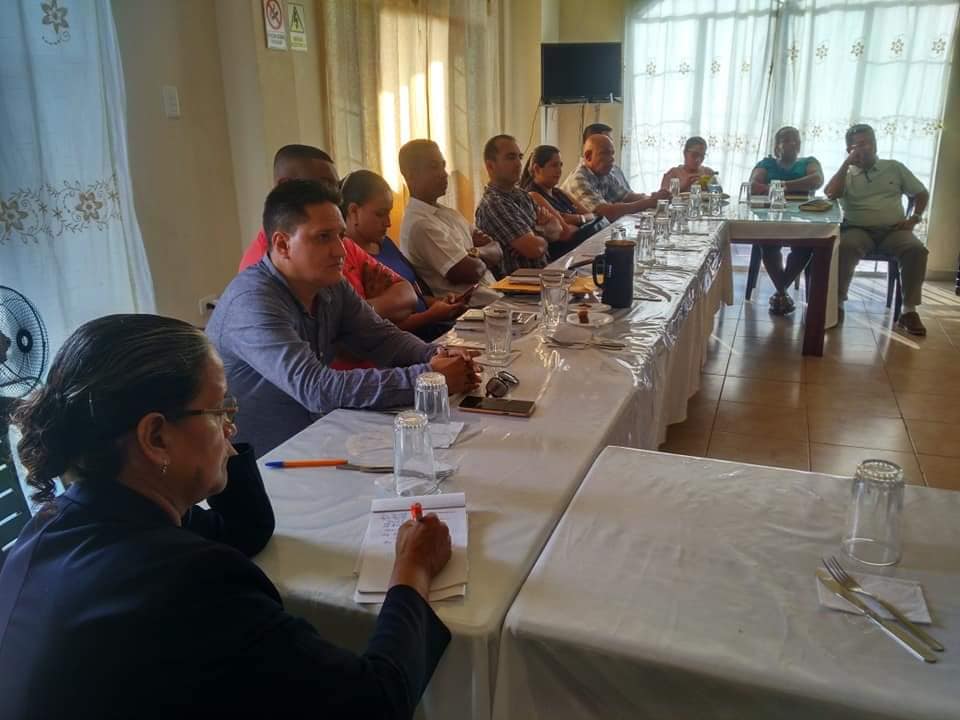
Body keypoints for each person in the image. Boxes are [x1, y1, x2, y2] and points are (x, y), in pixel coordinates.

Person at [0, 314, 453, 718]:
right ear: (155, 437)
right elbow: (377, 700)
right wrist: (411, 570)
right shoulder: (192, 581)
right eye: (219, 409)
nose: (232, 426)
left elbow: (244, 530)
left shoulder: (54, 525)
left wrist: (215, 439)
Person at [207, 180, 480, 456]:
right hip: (266, 462)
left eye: (340, 235)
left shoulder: (330, 285)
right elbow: (317, 389)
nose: (340, 250)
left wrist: (436, 354)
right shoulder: (252, 302)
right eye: (323, 237)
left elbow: (381, 338)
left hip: (320, 438)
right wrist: (428, 378)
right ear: (282, 244)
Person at [825, 123, 930, 335]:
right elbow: (830, 193)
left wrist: (914, 218)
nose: (865, 148)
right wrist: (846, 163)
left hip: (894, 230)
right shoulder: (846, 174)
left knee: (916, 250)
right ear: (849, 150)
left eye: (868, 143)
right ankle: (838, 305)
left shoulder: (894, 167)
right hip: (858, 229)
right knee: (844, 247)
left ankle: (909, 311)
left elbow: (921, 193)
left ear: (875, 145)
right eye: (858, 145)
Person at [341, 169, 468, 341]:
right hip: (410, 342)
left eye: (388, 213)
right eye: (380, 214)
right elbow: (373, 327)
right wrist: (430, 316)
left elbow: (415, 295)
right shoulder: (347, 260)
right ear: (354, 211)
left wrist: (440, 302)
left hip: (436, 329)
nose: (388, 222)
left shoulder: (385, 244)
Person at [398, 139, 502, 303]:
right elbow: (473, 271)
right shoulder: (420, 225)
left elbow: (497, 249)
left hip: (497, 297)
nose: (444, 174)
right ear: (411, 176)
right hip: (472, 312)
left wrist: (474, 252)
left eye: (443, 166)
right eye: (434, 167)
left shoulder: (449, 213)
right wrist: (480, 254)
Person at [749, 126, 825, 315]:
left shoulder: (808, 162)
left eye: (796, 140)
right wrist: (796, 186)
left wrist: (779, 186)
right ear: (777, 146)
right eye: (787, 140)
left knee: (805, 246)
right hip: (771, 216)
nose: (793, 143)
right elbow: (754, 185)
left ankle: (780, 291)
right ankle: (782, 292)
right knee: (768, 243)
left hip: (802, 216)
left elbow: (816, 180)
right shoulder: (767, 163)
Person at [238, 144, 340, 271]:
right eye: (324, 186)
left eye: (337, 187)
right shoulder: (261, 267)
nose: (341, 252)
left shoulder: (336, 238)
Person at [475, 134, 556, 276]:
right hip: (520, 286)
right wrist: (542, 229)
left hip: (544, 275)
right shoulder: (493, 204)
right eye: (511, 157)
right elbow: (534, 249)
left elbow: (557, 228)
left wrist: (535, 234)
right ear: (490, 166)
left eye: (520, 157)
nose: (519, 164)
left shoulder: (523, 195)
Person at [520, 144, 606, 259]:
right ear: (537, 169)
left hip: (582, 249)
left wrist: (575, 218)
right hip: (562, 257)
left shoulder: (559, 192)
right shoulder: (533, 195)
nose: (559, 170)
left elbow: (593, 215)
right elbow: (566, 233)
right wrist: (580, 221)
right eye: (554, 165)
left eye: (560, 165)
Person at [561, 134, 670, 221]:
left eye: (612, 154)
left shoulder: (604, 174)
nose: (612, 159)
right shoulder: (578, 180)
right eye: (605, 153)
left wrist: (655, 198)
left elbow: (627, 197)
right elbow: (607, 214)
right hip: (579, 238)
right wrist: (650, 202)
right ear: (588, 156)